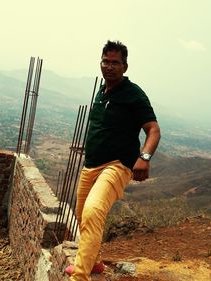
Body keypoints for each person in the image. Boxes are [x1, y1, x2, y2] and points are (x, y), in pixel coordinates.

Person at [66, 40, 161, 281]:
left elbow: (153, 130)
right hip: (91, 165)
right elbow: (103, 128)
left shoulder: (134, 95)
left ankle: (80, 275)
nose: (109, 67)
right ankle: (94, 262)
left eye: (115, 63)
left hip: (117, 165)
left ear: (125, 67)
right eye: (105, 61)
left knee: (93, 211)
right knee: (81, 216)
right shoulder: (102, 92)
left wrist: (145, 158)